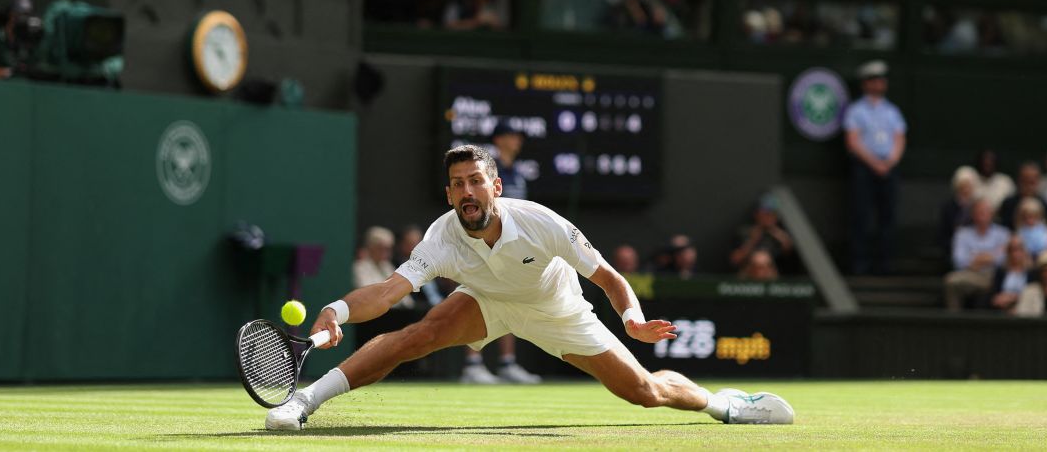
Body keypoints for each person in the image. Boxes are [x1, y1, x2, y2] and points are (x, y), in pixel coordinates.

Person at [265, 145, 794, 430]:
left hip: (556, 307)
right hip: (486, 301)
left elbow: (608, 277)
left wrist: (630, 319)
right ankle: (304, 401)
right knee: (415, 336)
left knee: (644, 393)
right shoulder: (442, 235)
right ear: (449, 192)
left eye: (476, 181)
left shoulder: (542, 222)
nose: (467, 192)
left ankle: (722, 405)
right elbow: (386, 291)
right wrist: (335, 309)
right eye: (457, 184)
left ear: (495, 186)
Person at [459, 121, 543, 385]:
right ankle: (472, 365)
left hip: (512, 248)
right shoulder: (484, 170)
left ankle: (507, 364)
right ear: (499, 139)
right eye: (512, 135)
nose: (517, 140)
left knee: (511, 302)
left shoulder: (517, 173)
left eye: (519, 136)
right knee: (476, 301)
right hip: (482, 245)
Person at [843, 60, 907, 274]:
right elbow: (853, 141)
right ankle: (859, 264)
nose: (880, 84)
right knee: (861, 216)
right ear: (866, 84)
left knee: (887, 218)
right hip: (865, 168)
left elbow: (899, 139)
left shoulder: (892, 111)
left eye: (882, 80)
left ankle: (885, 264)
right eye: (875, 81)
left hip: (888, 168)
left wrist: (889, 162)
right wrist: (874, 163)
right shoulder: (856, 110)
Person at [944, 199, 1011, 311]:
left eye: (985, 212)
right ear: (973, 215)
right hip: (970, 274)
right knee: (951, 281)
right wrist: (989, 257)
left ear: (992, 214)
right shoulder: (962, 234)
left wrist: (977, 259)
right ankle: (953, 320)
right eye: (979, 212)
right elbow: (959, 260)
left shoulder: (1003, 233)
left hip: (995, 275)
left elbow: (1004, 259)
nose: (982, 215)